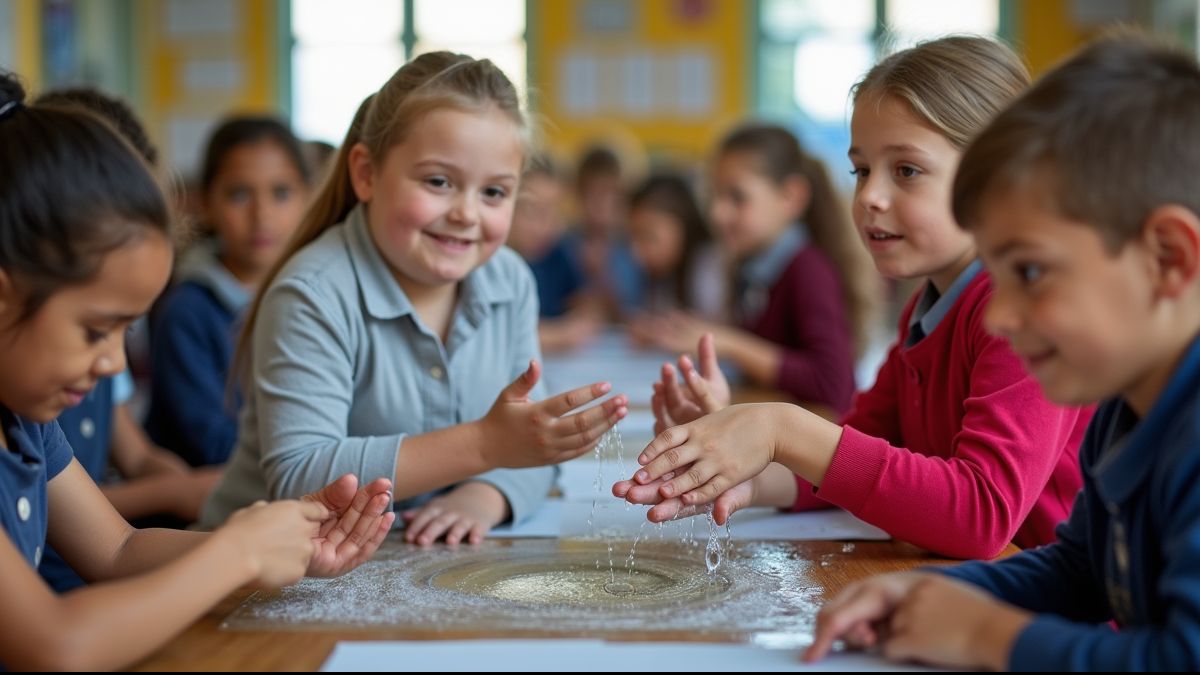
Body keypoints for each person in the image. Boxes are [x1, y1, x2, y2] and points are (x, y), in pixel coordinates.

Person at [619, 37, 1091, 559]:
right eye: (861, 170)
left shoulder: (1025, 313)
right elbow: (853, 451)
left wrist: (780, 427)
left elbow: (980, 515)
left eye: (906, 170)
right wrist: (739, 472)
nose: (869, 196)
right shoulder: (928, 308)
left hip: (1055, 617)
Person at [0, 71, 392, 670]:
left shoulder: (24, 417)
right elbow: (56, 644)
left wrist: (276, 546)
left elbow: (117, 547)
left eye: (124, 332)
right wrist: (235, 554)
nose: (112, 363)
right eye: (94, 330)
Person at [200, 52, 627, 546]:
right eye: (438, 182)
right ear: (366, 174)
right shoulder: (313, 292)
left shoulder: (508, 281)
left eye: (494, 192)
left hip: (404, 566)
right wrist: (485, 446)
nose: (467, 213)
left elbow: (530, 445)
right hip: (254, 581)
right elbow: (300, 476)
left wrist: (486, 496)